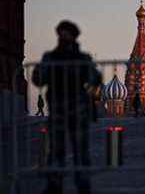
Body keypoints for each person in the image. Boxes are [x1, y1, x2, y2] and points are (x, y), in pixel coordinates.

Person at [32, 20, 102, 194]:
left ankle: (83, 183)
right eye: (60, 34)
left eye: (66, 34)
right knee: (56, 150)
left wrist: (90, 96)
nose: (63, 37)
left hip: (77, 111)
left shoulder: (82, 58)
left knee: (80, 150)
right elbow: (38, 79)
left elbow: (95, 78)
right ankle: (55, 183)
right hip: (58, 110)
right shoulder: (50, 57)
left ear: (73, 36)